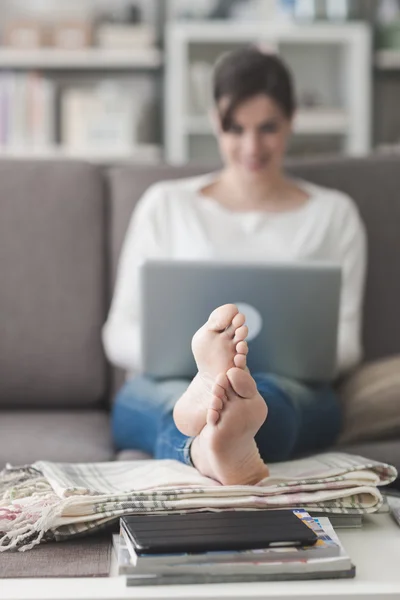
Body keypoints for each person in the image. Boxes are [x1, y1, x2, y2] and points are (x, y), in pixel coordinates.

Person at [102, 47, 367, 486]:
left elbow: (347, 344)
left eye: (267, 128)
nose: (251, 147)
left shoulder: (334, 214)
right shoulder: (167, 206)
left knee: (269, 402)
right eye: (235, 129)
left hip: (283, 385)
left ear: (291, 120)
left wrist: (232, 376)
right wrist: (201, 362)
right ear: (214, 121)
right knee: (170, 404)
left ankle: (206, 443)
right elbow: (118, 334)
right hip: (172, 382)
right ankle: (215, 440)